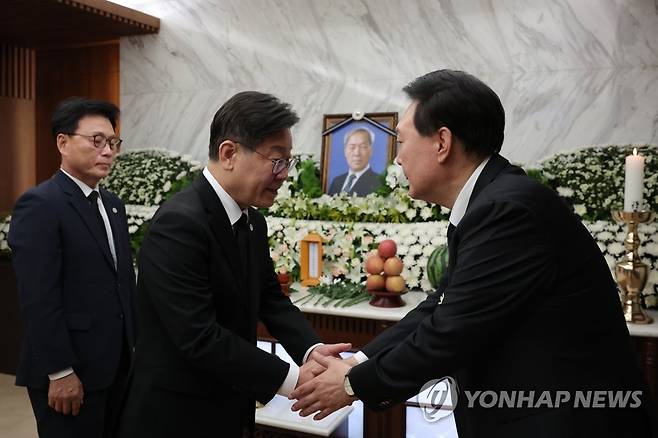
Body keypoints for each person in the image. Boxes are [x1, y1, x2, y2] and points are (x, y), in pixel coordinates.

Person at [291, 70, 656, 437]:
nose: (397, 160)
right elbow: (443, 305)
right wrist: (358, 361)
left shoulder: (508, 211)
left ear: (442, 142)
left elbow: (449, 331)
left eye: (401, 142)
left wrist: (353, 384)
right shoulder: (493, 200)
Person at [118, 91, 350, 438]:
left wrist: (311, 351)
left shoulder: (252, 222)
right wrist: (293, 380)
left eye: (288, 162)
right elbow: (199, 336)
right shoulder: (180, 223)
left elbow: (271, 299)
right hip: (176, 416)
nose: (284, 174)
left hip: (229, 407)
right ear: (229, 153)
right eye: (276, 161)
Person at [8, 97, 136, 438]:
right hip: (69, 371)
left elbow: (122, 285)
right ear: (63, 142)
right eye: (96, 141)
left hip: (117, 367)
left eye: (112, 142)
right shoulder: (40, 204)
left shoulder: (112, 205)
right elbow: (38, 297)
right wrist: (59, 371)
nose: (108, 150)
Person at [327, 127, 381, 196]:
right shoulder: (337, 181)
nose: (357, 153)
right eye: (352, 147)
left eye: (363, 147)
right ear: (345, 151)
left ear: (370, 151)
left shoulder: (378, 182)